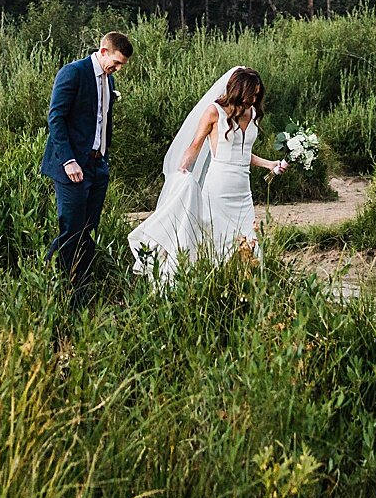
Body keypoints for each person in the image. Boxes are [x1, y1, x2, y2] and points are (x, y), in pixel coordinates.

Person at [127, 65, 288, 282]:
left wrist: (270, 164)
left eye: (257, 94)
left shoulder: (253, 113)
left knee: (249, 239)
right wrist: (182, 170)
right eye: (251, 93)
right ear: (239, 89)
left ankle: (245, 285)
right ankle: (216, 282)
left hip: (243, 190)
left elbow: (243, 153)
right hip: (218, 187)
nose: (254, 98)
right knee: (218, 238)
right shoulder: (215, 111)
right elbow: (196, 145)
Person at [40, 31, 133, 304]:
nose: (117, 69)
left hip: (97, 166)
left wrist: (104, 159)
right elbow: (55, 118)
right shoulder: (73, 73)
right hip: (71, 167)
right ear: (103, 51)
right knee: (71, 228)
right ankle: (51, 281)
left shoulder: (109, 79)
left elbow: (103, 121)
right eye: (115, 62)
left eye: (121, 66)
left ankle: (81, 285)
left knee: (88, 228)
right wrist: (69, 160)